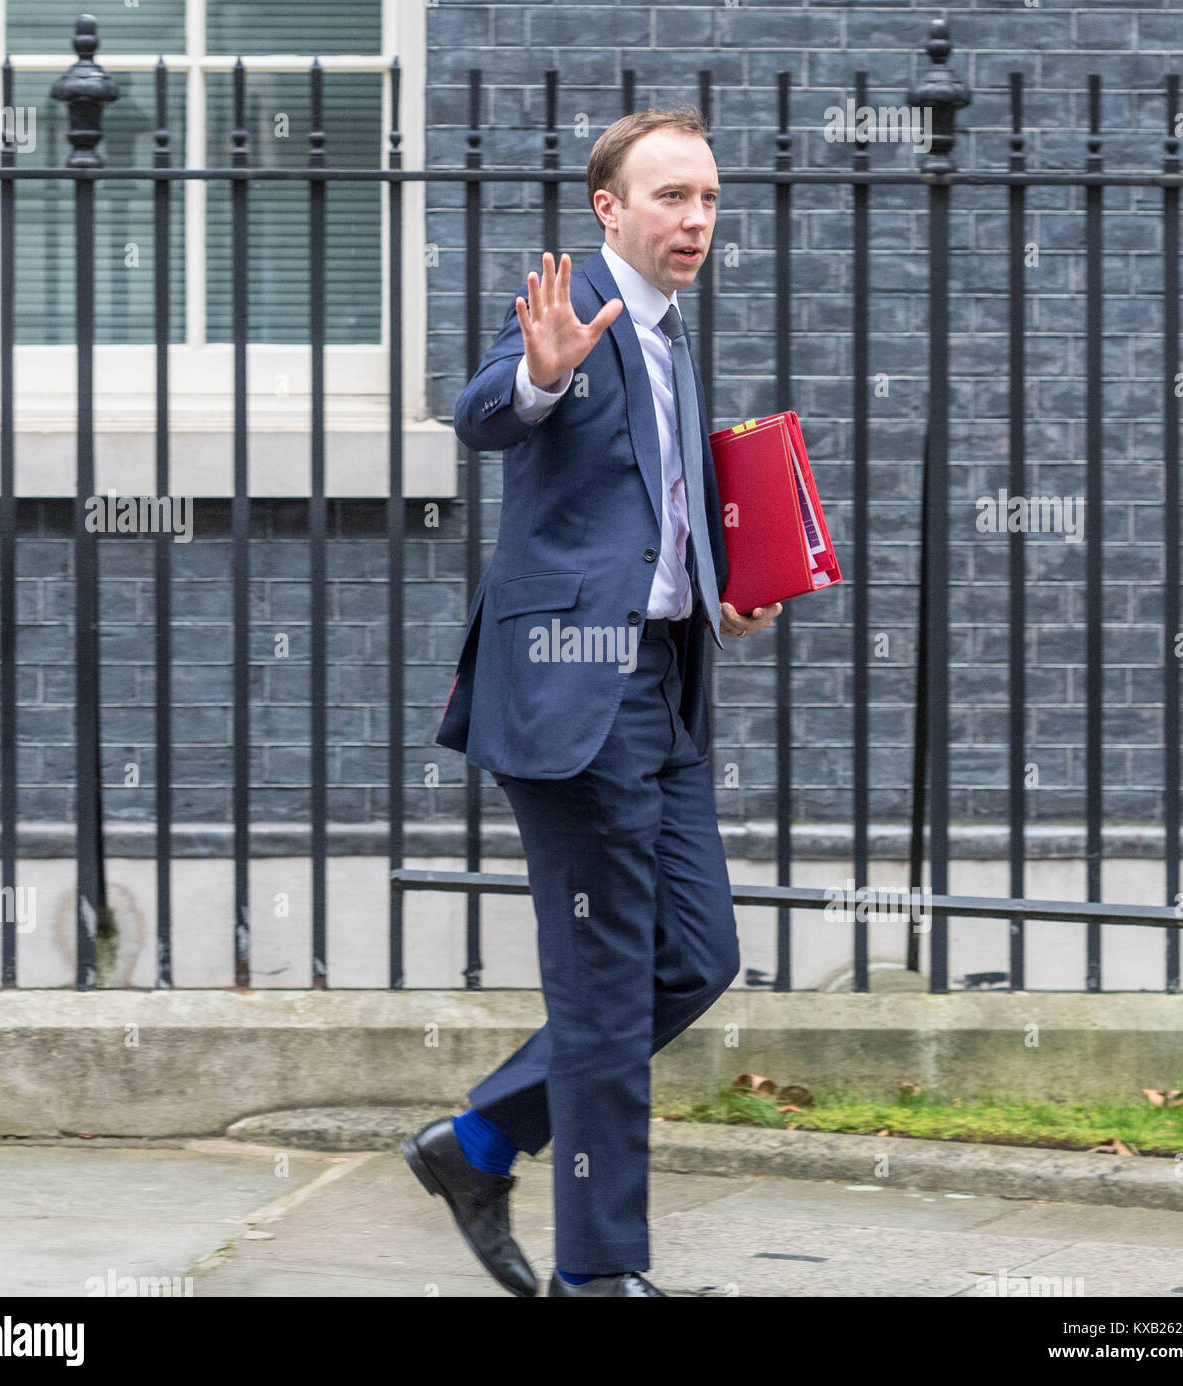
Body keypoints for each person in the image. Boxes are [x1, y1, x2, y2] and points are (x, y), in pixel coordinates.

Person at [402, 105, 782, 1298]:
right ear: (608, 208)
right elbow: (479, 415)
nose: (697, 219)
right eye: (671, 196)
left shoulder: (672, 340)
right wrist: (535, 372)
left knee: (699, 956)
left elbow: (648, 517)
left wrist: (717, 591)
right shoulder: (570, 318)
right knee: (606, 987)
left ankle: (474, 1143)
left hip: (663, 684)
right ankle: (601, 1277)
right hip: (576, 697)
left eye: (709, 198)